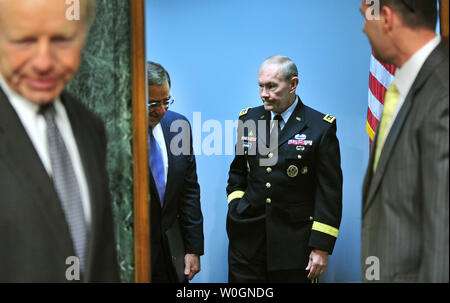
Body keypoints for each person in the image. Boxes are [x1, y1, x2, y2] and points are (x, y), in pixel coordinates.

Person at [0, 0, 119, 282]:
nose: (43, 62)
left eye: (62, 40)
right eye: (24, 41)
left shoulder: (89, 127)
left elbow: (101, 263)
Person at [226, 55, 343, 282]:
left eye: (271, 86)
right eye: (261, 86)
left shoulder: (320, 126)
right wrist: (236, 209)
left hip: (294, 245)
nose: (263, 94)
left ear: (293, 84)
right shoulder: (249, 119)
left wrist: (321, 247)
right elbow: (238, 172)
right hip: (247, 242)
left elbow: (330, 192)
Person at [360, 0, 449, 282]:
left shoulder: (442, 91)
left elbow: (443, 224)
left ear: (386, 18)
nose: (363, 29)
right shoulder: (404, 87)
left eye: (366, 17)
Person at [146, 61, 204, 283]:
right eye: (152, 103)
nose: (161, 110)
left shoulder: (178, 126)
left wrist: (193, 248)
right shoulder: (115, 133)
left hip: (172, 251)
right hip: (134, 254)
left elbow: (189, 192)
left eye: (166, 101)